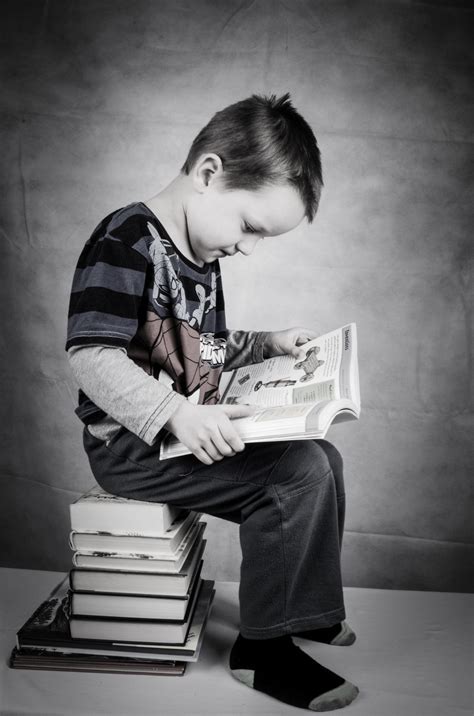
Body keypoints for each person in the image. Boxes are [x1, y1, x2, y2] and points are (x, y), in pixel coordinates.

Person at [66, 93, 359, 711]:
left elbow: (207, 349)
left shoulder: (201, 255)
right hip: (131, 447)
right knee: (294, 478)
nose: (249, 247)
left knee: (322, 458)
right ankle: (263, 649)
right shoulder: (126, 240)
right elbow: (91, 357)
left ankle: (306, 610)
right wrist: (174, 412)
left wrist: (268, 344)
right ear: (208, 174)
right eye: (251, 227)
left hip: (184, 431)